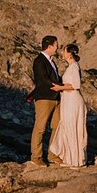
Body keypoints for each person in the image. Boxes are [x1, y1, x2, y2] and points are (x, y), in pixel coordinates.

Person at [49, 43, 88, 167]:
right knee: (67, 126)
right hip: (67, 100)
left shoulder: (74, 67)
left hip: (73, 100)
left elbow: (76, 85)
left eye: (64, 51)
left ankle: (76, 161)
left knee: (72, 127)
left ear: (70, 53)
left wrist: (59, 87)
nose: (62, 53)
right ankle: (69, 158)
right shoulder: (71, 67)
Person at [28, 35, 63, 166]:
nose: (57, 48)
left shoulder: (52, 61)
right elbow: (43, 79)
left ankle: (52, 154)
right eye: (56, 45)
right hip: (44, 97)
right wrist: (59, 86)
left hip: (56, 98)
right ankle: (36, 157)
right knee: (40, 128)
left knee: (57, 126)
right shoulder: (39, 61)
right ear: (49, 46)